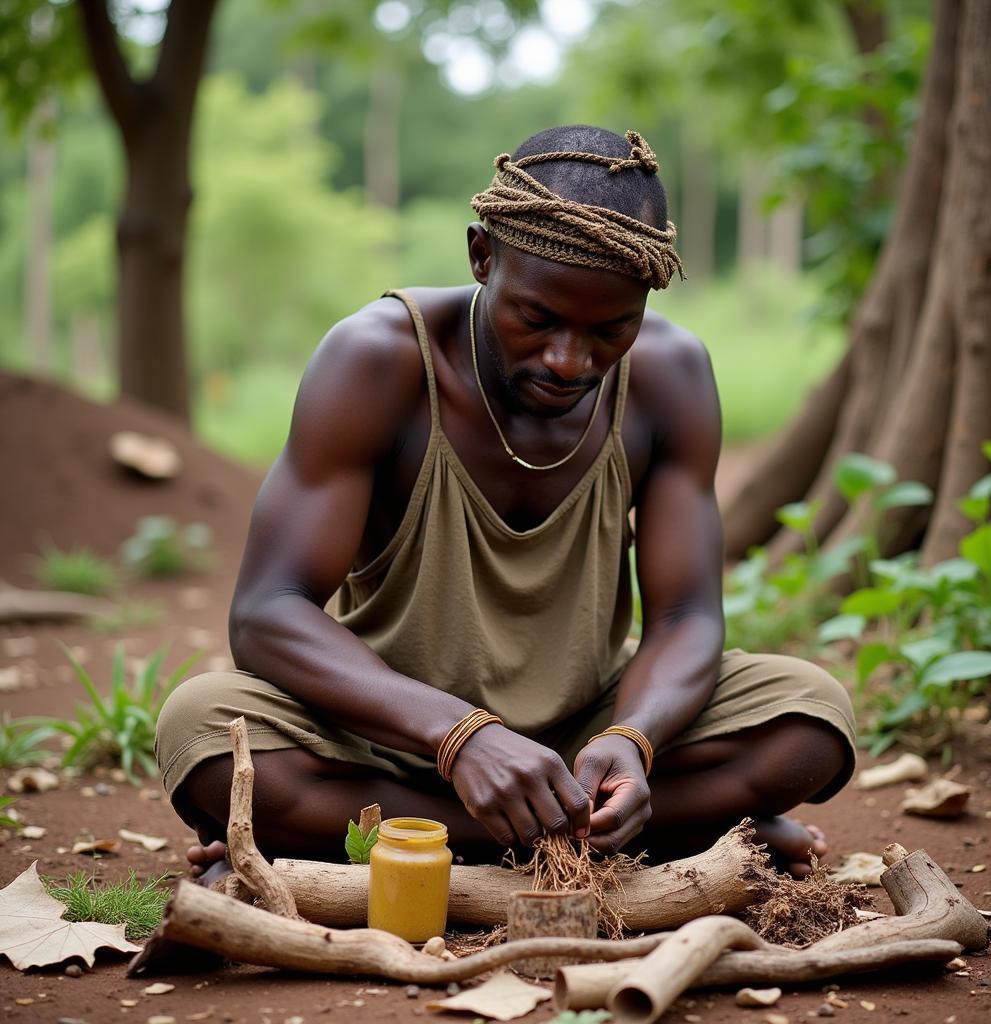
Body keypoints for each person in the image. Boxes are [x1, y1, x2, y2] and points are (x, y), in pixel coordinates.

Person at [156, 125, 856, 883]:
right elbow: (267, 613)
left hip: (585, 740)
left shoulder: (671, 378)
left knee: (809, 719)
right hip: (389, 733)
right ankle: (634, 837)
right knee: (200, 727)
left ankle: (415, 839)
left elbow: (688, 617)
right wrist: (460, 736)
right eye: (539, 318)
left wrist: (636, 738)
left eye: (609, 330)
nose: (569, 360)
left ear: (644, 305)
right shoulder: (377, 360)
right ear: (481, 256)